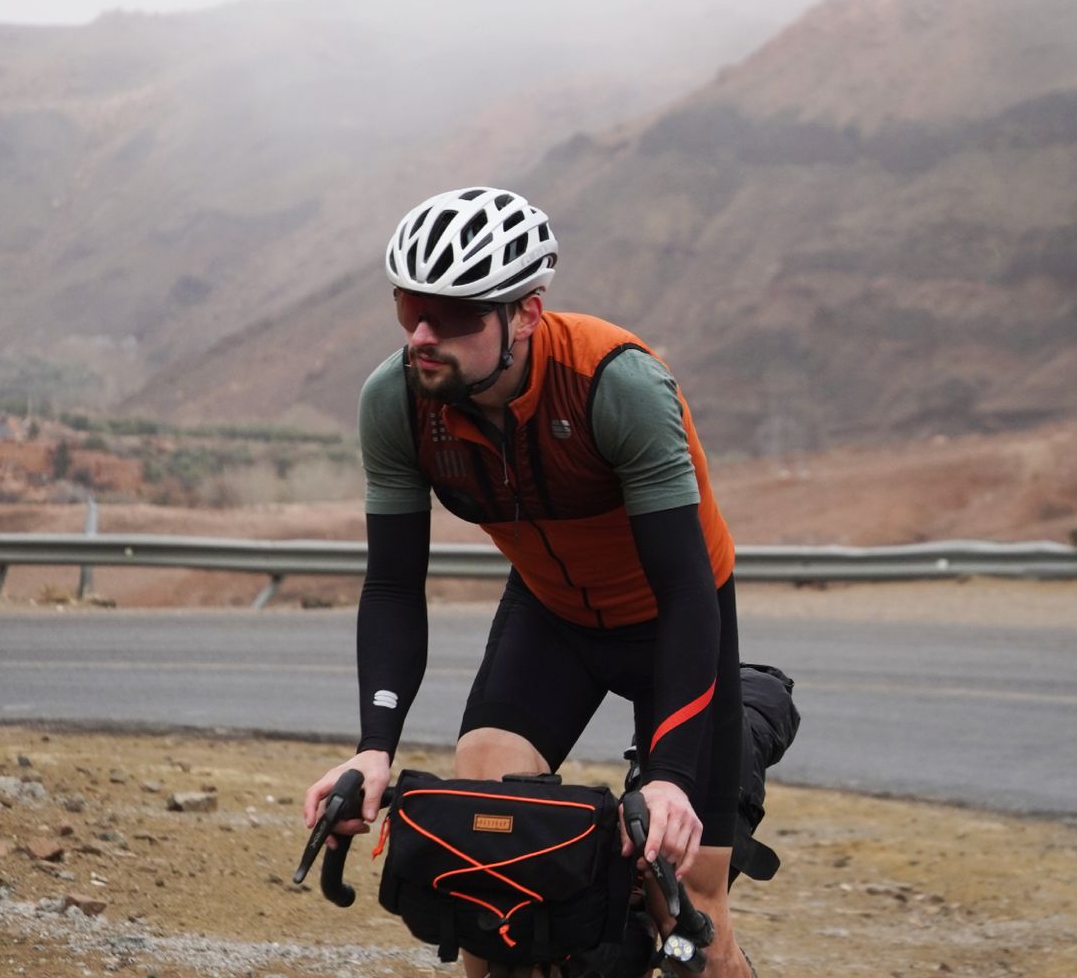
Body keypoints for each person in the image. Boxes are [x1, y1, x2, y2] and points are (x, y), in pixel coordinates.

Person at [303, 186, 751, 977]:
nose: (424, 333)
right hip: (553, 614)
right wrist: (374, 751)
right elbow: (394, 589)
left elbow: (687, 594)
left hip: (674, 618)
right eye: (410, 305)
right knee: (485, 854)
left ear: (527, 313)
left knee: (685, 895)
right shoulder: (398, 401)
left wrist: (673, 780)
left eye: (457, 313)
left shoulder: (617, 384)